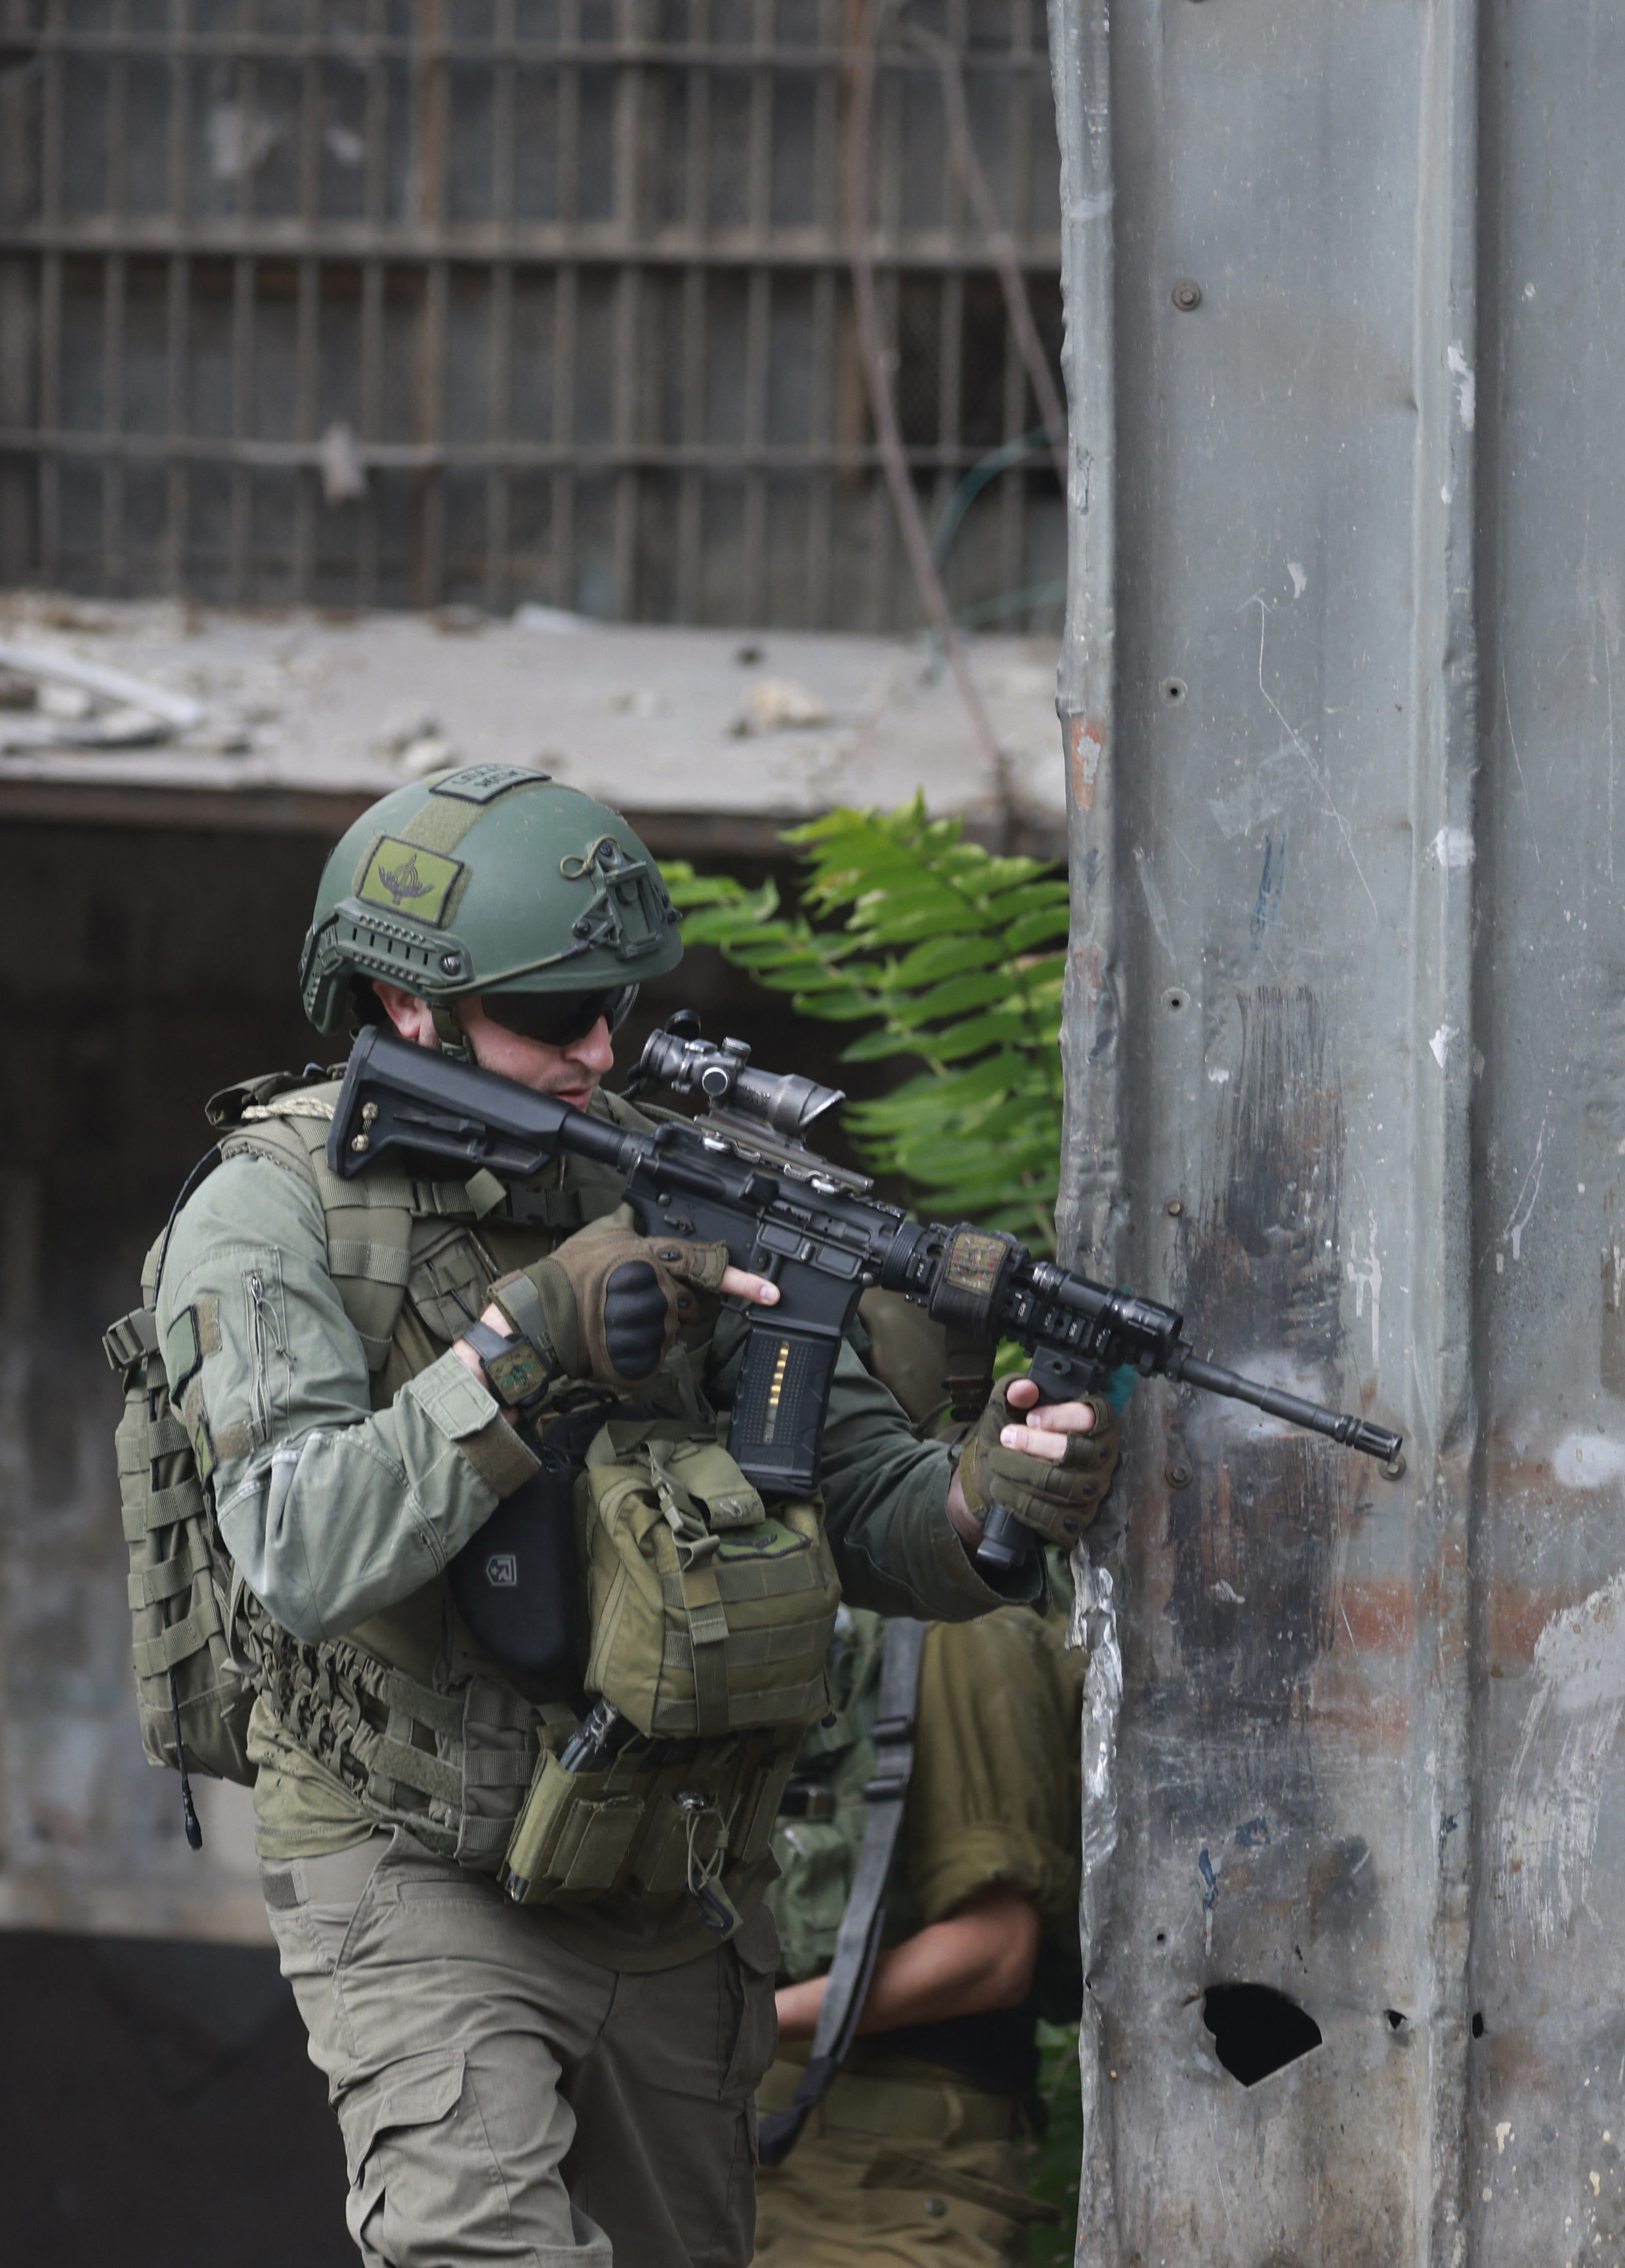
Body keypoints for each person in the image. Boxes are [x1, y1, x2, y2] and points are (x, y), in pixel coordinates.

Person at [148, 765, 1119, 2268]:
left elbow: (875, 1510)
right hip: (414, 1847)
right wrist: (517, 1345)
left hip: (667, 1864)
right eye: (555, 1015)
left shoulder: (656, 1173)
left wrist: (994, 1482)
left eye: (617, 1005)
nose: (601, 1049)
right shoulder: (268, 1213)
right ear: (410, 1008)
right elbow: (298, 1546)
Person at [749, 1579, 1082, 2268]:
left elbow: (992, 1953)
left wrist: (740, 2023)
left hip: (898, 2179)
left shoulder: (964, 1626)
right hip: (753, 2162)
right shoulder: (818, 1617)